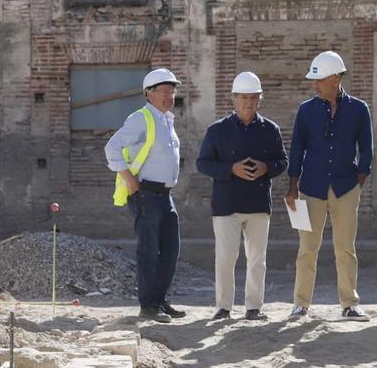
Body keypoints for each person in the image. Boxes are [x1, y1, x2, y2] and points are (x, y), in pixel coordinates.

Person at [285, 51, 373, 321]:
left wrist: (358, 182)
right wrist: (292, 188)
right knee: (306, 250)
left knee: (345, 248)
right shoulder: (305, 110)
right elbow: (297, 149)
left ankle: (350, 304)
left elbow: (366, 149)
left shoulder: (359, 109)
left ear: (335, 78)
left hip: (346, 190)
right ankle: (300, 305)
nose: (315, 84)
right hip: (308, 191)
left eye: (319, 79)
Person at [196, 72, 287, 321]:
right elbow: (203, 163)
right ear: (234, 99)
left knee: (257, 259)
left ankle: (253, 307)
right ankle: (224, 307)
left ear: (260, 99)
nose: (248, 102)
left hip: (258, 203)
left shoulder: (271, 130)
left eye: (253, 97)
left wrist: (266, 168)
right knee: (225, 258)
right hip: (227, 204)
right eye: (243, 97)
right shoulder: (217, 131)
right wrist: (230, 169)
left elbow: (282, 161)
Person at [105, 68, 184, 323]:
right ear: (149, 94)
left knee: (170, 250)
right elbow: (112, 147)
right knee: (149, 251)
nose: (169, 96)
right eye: (163, 91)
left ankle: (159, 300)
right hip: (146, 194)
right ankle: (148, 305)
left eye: (172, 91)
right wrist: (130, 181)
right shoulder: (141, 119)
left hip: (165, 195)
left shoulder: (166, 120)